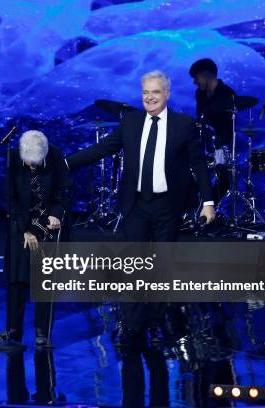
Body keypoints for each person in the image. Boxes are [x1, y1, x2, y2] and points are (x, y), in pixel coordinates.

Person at [66, 70, 215, 406]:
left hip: (167, 206)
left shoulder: (183, 125)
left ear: (167, 93)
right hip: (135, 205)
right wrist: (64, 162)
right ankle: (132, 329)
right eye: (145, 92)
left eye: (155, 92)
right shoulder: (131, 122)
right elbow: (103, 148)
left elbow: (199, 165)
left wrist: (208, 202)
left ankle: (157, 324)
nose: (149, 97)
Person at [0, 131, 72, 352]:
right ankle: (13, 330)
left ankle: (42, 333)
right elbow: (11, 199)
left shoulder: (55, 156)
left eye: (36, 163)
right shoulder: (14, 157)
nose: (32, 166)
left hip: (48, 225)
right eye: (29, 163)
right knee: (17, 281)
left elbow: (64, 192)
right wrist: (24, 230)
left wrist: (56, 214)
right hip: (22, 226)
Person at [189, 58, 236, 201]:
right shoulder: (200, 94)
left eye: (196, 78)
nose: (194, 82)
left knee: (224, 180)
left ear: (207, 74)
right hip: (203, 143)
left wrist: (218, 144)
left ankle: (211, 208)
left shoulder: (227, 93)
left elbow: (228, 127)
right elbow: (200, 119)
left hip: (221, 144)